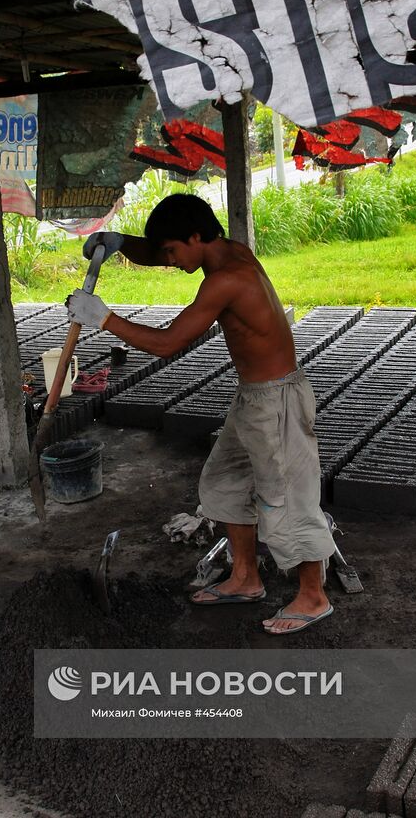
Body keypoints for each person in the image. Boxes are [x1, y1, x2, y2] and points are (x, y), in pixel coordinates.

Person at [67, 194, 336, 634]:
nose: (169, 261)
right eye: (165, 252)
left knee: (287, 500)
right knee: (224, 482)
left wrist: (105, 320)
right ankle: (246, 578)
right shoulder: (222, 250)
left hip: (278, 402)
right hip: (254, 398)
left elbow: (168, 343)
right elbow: (158, 250)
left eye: (173, 251)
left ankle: (313, 596)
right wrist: (118, 241)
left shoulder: (228, 278)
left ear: (195, 237)